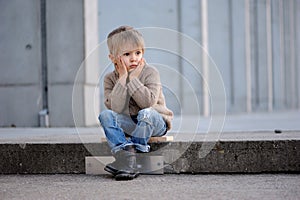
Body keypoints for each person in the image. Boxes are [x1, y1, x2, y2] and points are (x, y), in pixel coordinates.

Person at [98, 25, 173, 181]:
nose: (134, 58)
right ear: (113, 58)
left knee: (145, 113)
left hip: (155, 121)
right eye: (127, 54)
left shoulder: (150, 72)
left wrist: (132, 79)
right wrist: (123, 78)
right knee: (106, 116)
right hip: (131, 124)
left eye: (138, 53)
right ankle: (126, 154)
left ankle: (132, 155)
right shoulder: (110, 79)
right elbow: (116, 108)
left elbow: (148, 102)